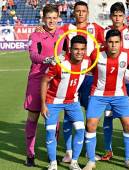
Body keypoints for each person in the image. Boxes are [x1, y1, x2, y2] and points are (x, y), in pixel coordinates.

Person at [83, 29, 129, 170]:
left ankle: (128, 159)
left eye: (116, 42)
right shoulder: (96, 54)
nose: (113, 45)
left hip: (120, 94)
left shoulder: (128, 55)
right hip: (99, 94)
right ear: (106, 43)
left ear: (121, 43)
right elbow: (85, 67)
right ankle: (91, 160)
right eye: (111, 42)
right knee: (91, 124)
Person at [59, 1, 105, 162]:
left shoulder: (96, 28)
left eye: (83, 11)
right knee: (68, 115)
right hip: (71, 76)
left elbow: (109, 43)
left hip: (90, 77)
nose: (80, 14)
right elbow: (56, 44)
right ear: (73, 12)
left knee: (90, 115)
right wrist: (40, 28)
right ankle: (69, 151)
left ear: (87, 12)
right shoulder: (66, 29)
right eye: (77, 11)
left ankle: (88, 150)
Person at [41, 35, 90, 170]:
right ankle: (53, 163)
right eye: (76, 49)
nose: (79, 52)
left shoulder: (87, 61)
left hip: (72, 102)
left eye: (82, 49)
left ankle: (74, 162)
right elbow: (45, 81)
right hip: (53, 101)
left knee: (80, 130)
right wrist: (43, 104)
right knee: (50, 132)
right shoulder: (59, 62)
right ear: (70, 49)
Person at [23, 4, 64, 167]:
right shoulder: (36, 34)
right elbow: (33, 55)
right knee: (33, 117)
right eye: (49, 18)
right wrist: (47, 60)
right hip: (37, 78)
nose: (52, 21)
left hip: (55, 80)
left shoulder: (63, 33)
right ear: (43, 19)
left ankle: (51, 154)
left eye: (54, 18)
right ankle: (30, 154)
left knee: (53, 119)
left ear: (58, 18)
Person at [100, 2, 129, 161]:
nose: (117, 18)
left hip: (128, 81)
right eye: (114, 15)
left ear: (124, 16)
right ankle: (107, 149)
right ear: (111, 16)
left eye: (120, 15)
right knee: (108, 116)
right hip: (109, 82)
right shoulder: (104, 32)